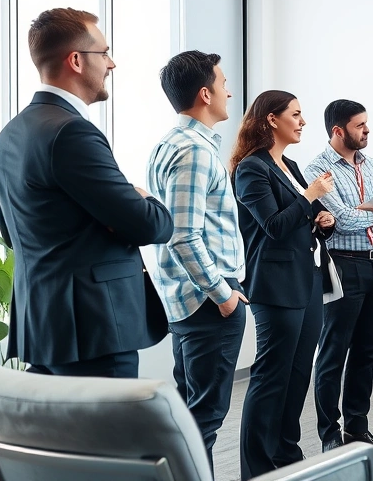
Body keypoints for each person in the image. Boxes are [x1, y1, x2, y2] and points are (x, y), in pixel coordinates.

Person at [0, 7, 172, 377]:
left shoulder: (8, 136)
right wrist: (143, 197)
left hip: (43, 328)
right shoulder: (72, 132)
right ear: (75, 60)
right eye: (104, 53)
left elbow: (12, 234)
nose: (111, 64)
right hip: (93, 330)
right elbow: (150, 225)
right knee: (111, 420)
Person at [147, 50, 248, 472]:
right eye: (223, 84)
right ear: (205, 94)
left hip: (187, 298)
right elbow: (183, 235)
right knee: (202, 421)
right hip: (207, 300)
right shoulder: (195, 151)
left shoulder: (170, 143)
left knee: (190, 417)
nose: (229, 92)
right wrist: (223, 295)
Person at [231, 91, 336, 479]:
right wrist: (311, 196)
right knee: (271, 376)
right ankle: (256, 468)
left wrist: (324, 220)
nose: (303, 121)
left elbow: (306, 215)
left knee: (298, 374)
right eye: (296, 114)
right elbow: (274, 226)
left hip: (307, 278)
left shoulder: (289, 164)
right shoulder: (251, 169)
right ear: (272, 120)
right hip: (274, 284)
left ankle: (286, 457)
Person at [305, 99, 373, 455]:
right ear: (338, 130)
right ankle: (329, 434)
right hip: (344, 266)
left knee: (367, 352)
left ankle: (358, 429)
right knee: (333, 352)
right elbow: (344, 221)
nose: (367, 130)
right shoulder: (318, 169)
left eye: (366, 123)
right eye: (359, 125)